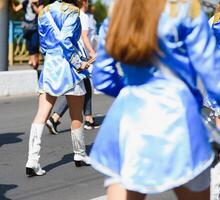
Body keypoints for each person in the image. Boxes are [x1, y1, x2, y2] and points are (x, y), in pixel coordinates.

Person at [90, 0, 220, 199]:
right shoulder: (187, 9)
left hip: (130, 117)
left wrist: (133, 91)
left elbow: (102, 77)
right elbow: (212, 75)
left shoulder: (119, 10)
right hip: (179, 118)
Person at [25, 0, 91, 177]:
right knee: (76, 113)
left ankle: (32, 160)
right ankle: (80, 154)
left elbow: (44, 43)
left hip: (50, 65)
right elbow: (65, 39)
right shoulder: (72, 11)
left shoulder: (44, 11)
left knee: (42, 112)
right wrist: (78, 63)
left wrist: (52, 55)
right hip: (69, 67)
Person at [46, 0, 99, 134]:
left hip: (71, 54)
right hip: (81, 56)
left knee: (82, 87)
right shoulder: (83, 15)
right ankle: (56, 118)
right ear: (84, 2)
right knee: (76, 89)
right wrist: (92, 52)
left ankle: (88, 118)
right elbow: (84, 36)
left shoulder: (66, 13)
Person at [12, 0, 44, 70]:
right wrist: (11, 2)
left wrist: (33, 5)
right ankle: (33, 61)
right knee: (29, 44)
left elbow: (39, 12)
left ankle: (35, 60)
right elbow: (16, 9)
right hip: (27, 27)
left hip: (35, 26)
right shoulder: (25, 2)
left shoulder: (40, 2)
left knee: (35, 44)